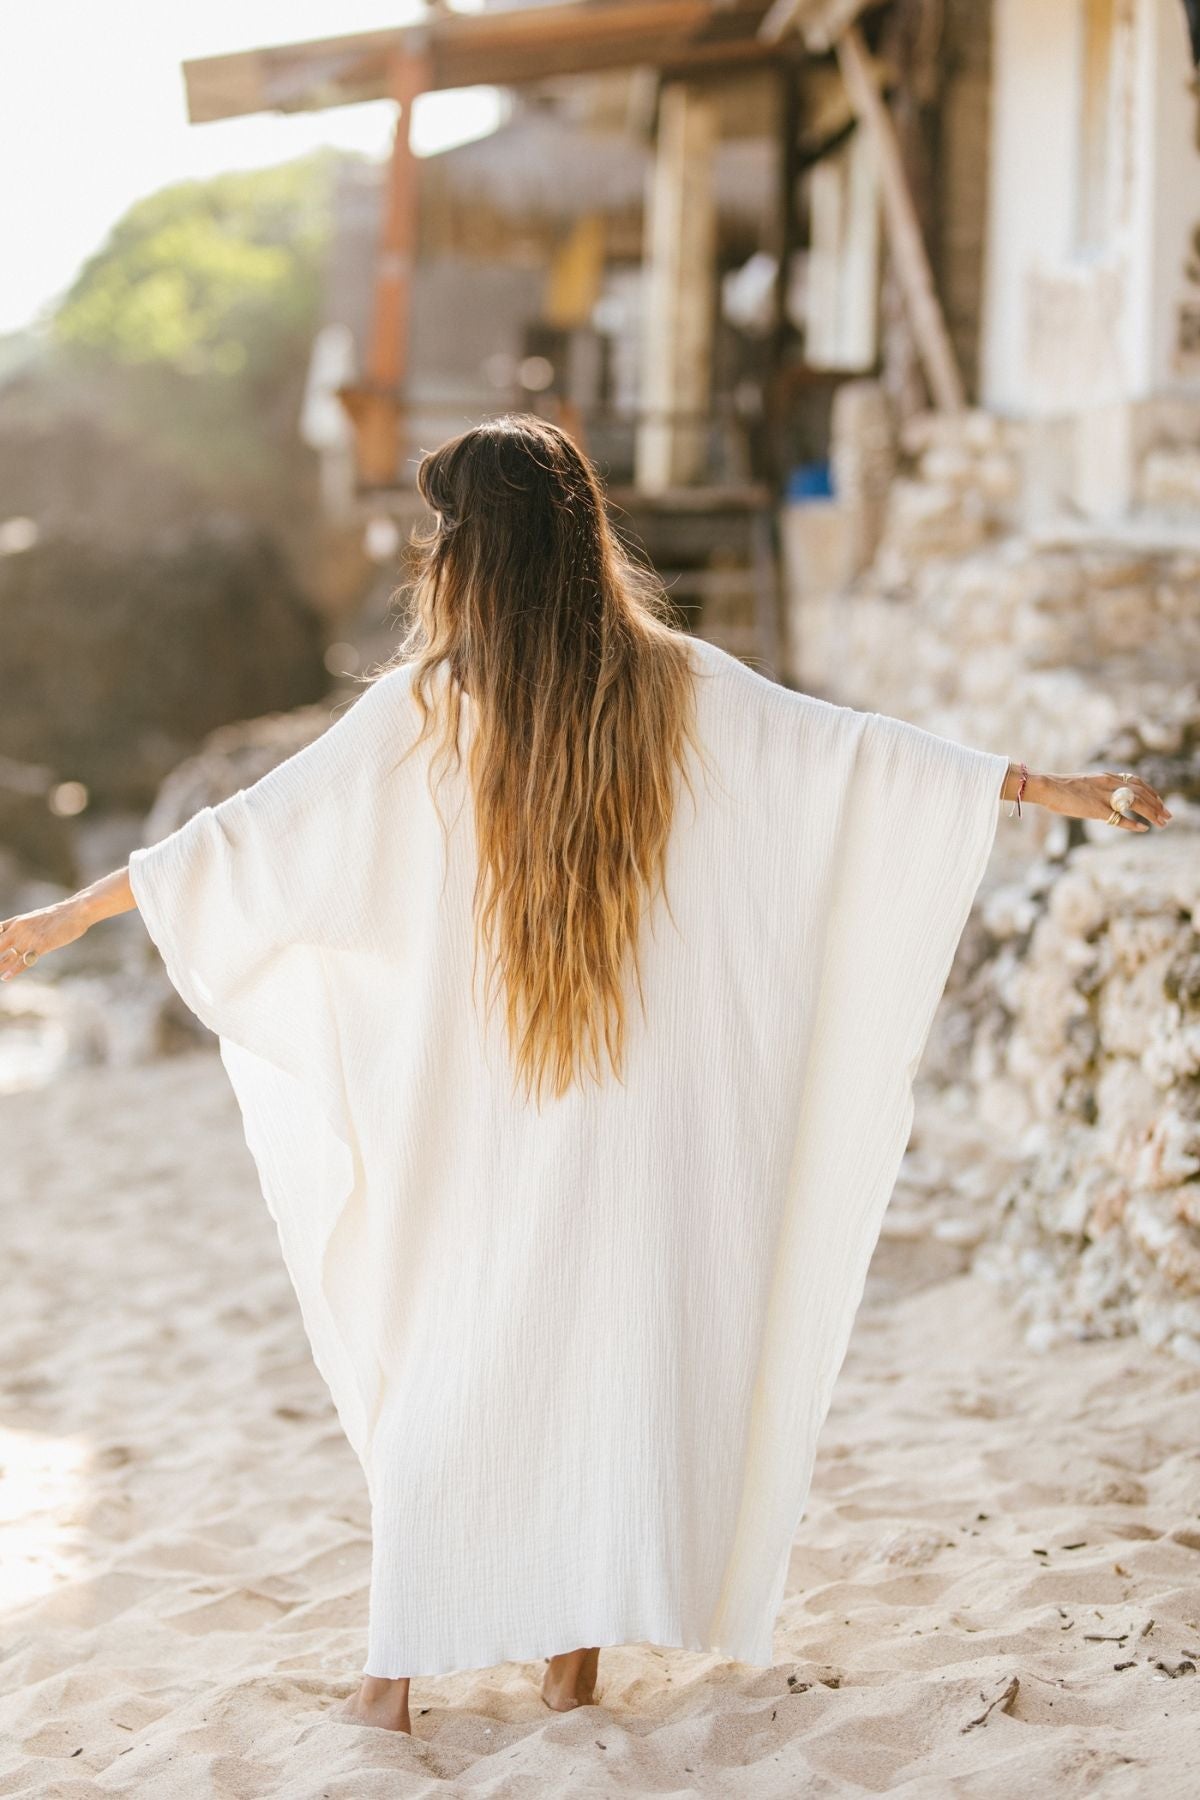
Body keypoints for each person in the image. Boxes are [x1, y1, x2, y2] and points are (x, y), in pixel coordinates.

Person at [0, 415, 1171, 1735]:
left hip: (484, 1108)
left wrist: (63, 921)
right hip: (629, 1108)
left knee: (455, 1366)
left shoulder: (432, 707)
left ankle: (395, 1684)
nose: (428, 550)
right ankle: (562, 1673)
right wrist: (1049, 789)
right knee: (596, 1363)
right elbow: (850, 760)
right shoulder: (664, 682)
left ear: (479, 550)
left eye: (443, 530)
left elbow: (236, 848)